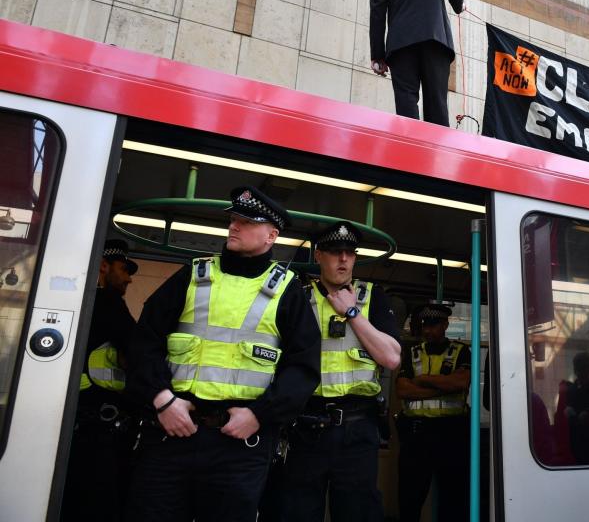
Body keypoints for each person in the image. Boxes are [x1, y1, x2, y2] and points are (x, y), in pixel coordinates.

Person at [124, 186, 321, 522]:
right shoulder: (193, 274)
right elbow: (144, 341)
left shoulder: (288, 291)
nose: (234, 226)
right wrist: (162, 401)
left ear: (271, 235)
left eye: (246, 221)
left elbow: (302, 369)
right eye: (233, 219)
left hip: (240, 444)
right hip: (171, 432)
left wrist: (259, 415)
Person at [274, 220, 401, 521]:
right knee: (296, 512)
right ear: (318, 255)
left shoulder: (372, 297)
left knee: (358, 512)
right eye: (334, 251)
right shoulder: (297, 296)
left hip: (357, 428)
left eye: (349, 252)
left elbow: (392, 358)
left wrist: (352, 313)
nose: (343, 259)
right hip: (305, 427)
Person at [61, 239, 139, 521]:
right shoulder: (109, 305)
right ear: (104, 266)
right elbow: (135, 354)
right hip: (99, 428)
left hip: (72, 422)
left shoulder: (74, 304)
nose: (129, 278)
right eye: (124, 269)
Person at [369, 0, 465, 126]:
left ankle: (408, 152)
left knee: (406, 103)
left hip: (400, 45)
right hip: (435, 41)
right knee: (436, 102)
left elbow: (377, 13)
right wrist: (460, 4)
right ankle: (436, 153)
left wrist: (378, 56)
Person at [395, 301, 470, 522]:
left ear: (445, 324)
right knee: (409, 498)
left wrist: (423, 380)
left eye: (434, 325)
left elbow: (461, 382)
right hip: (417, 435)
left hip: (451, 434)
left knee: (452, 497)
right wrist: (441, 388)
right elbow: (402, 389)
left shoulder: (461, 351)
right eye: (425, 325)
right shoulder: (412, 352)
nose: (428, 330)